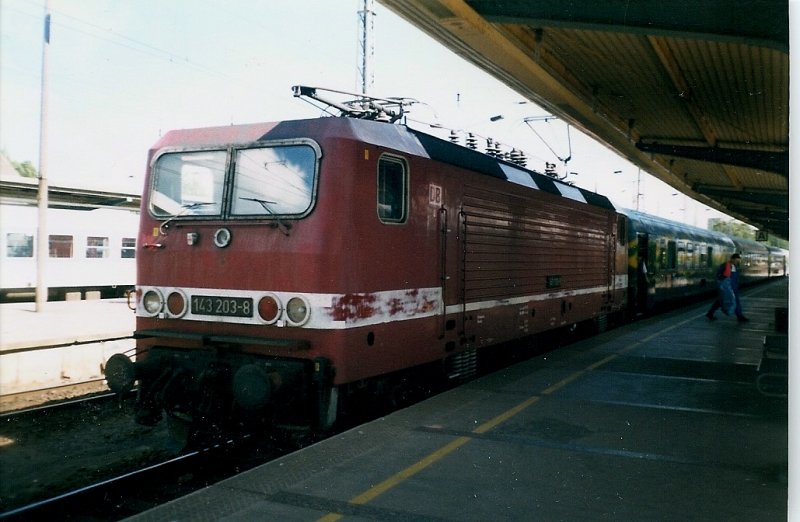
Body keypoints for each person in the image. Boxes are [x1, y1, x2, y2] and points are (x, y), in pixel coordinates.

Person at [705, 253, 749, 322]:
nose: (737, 262)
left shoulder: (734, 267)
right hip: (727, 288)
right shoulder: (725, 265)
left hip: (733, 287)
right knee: (732, 301)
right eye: (736, 261)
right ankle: (740, 316)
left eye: (738, 261)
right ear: (732, 259)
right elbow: (719, 275)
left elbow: (735, 277)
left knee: (721, 301)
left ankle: (710, 313)